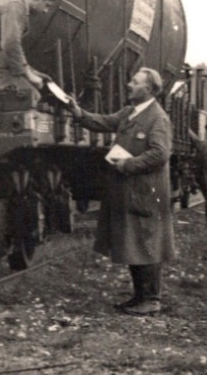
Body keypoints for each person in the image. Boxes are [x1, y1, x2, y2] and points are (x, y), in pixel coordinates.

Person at [69, 68, 175, 316]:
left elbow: (160, 153)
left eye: (134, 82)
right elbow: (104, 122)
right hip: (131, 192)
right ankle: (139, 297)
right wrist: (78, 113)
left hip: (146, 193)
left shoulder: (158, 118)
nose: (128, 85)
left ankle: (151, 299)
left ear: (147, 89)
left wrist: (129, 164)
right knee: (134, 243)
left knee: (148, 243)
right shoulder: (130, 113)